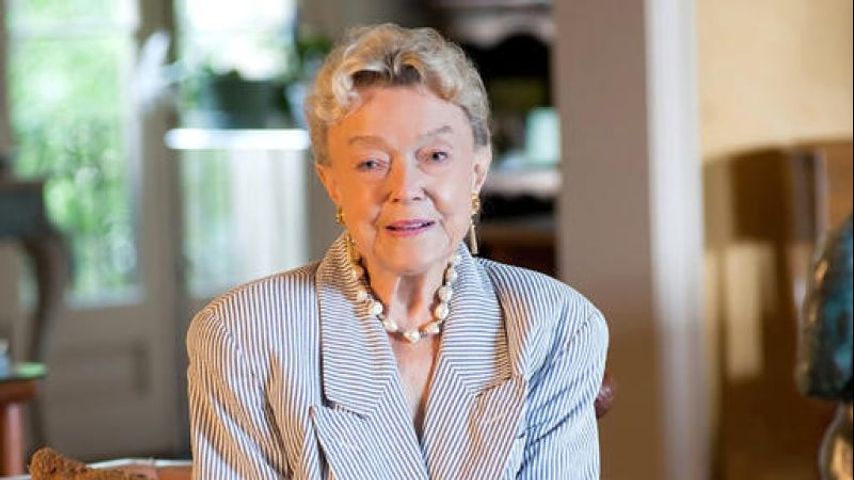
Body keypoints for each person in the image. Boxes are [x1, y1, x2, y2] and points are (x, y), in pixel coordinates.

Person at [187, 23, 609, 479]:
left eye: (435, 156)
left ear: (477, 170)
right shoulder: (241, 334)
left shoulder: (556, 324)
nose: (405, 188)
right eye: (372, 162)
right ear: (332, 182)